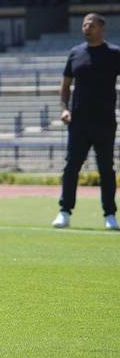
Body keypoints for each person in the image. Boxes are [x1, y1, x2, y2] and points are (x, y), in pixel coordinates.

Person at [52, 13, 120, 230]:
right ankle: (64, 211)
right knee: (71, 167)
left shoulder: (114, 54)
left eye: (90, 25)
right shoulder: (75, 53)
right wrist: (64, 110)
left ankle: (110, 214)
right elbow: (65, 87)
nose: (86, 28)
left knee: (106, 169)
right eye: (84, 25)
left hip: (105, 121)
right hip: (79, 122)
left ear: (101, 28)